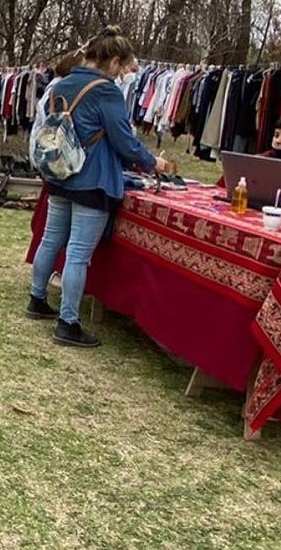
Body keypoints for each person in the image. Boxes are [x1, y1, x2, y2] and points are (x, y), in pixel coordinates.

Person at [28, 26, 174, 349]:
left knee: (51, 240)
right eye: (123, 67)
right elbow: (124, 140)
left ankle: (37, 298)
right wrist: (153, 163)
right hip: (92, 179)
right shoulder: (106, 91)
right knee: (79, 253)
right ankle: (68, 322)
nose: (124, 74)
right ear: (113, 61)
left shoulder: (62, 82)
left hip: (60, 173)